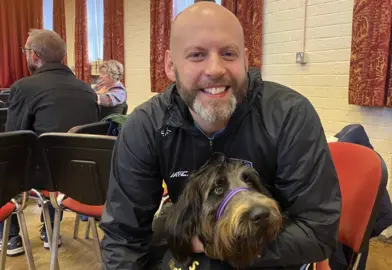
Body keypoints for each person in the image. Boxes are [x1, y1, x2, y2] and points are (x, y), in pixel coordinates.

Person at [99, 2, 341, 270]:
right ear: (170, 64)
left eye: (228, 53)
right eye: (197, 55)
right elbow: (124, 237)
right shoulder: (145, 127)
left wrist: (217, 246)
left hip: (271, 253)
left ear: (246, 60)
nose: (214, 69)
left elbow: (318, 231)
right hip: (189, 249)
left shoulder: (290, 115)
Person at [0, 29, 99, 256]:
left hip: (40, 177)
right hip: (80, 175)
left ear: (34, 55)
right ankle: (51, 228)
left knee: (6, 161)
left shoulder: (24, 87)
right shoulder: (87, 90)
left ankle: (11, 237)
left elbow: (13, 141)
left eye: (25, 51)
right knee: (55, 158)